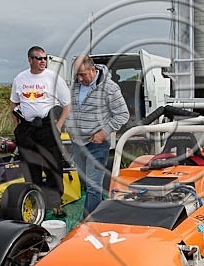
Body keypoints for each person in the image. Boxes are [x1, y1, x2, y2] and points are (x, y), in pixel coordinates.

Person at [10, 46, 72, 217]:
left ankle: (55, 204)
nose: (43, 61)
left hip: (47, 126)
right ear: (30, 60)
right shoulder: (20, 78)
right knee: (30, 168)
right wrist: (17, 126)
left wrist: (58, 126)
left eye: (45, 58)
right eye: (39, 58)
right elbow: (13, 105)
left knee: (52, 166)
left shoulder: (53, 78)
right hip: (27, 128)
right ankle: (34, 202)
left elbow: (67, 104)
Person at [66, 55, 129, 218]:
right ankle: (102, 210)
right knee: (86, 183)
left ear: (93, 70)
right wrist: (69, 126)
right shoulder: (75, 85)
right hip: (77, 143)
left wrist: (103, 133)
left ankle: (87, 224)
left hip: (97, 144)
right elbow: (71, 109)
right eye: (76, 75)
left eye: (83, 75)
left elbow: (122, 114)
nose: (79, 79)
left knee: (94, 186)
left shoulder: (109, 88)